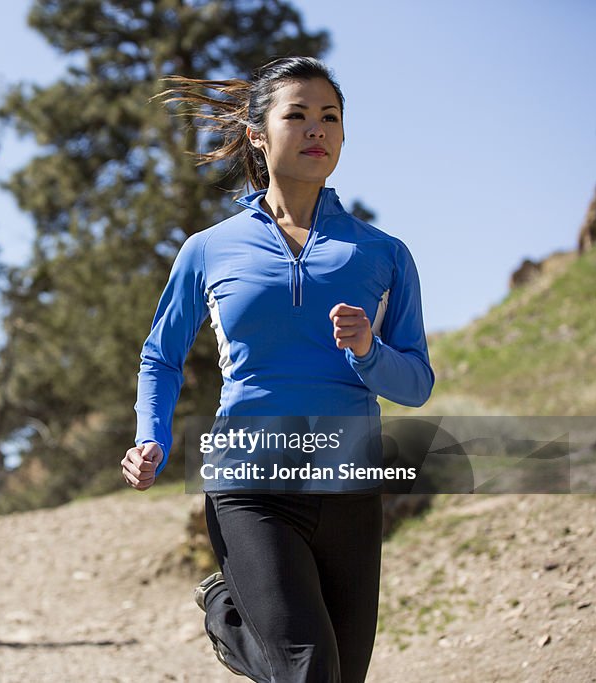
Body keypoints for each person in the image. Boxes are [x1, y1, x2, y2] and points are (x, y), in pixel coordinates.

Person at [122, 57, 434, 682]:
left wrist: (370, 350)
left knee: (340, 673)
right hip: (250, 481)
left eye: (330, 117)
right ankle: (232, 617)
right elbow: (161, 353)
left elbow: (417, 384)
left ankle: (230, 620)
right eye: (297, 115)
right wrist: (151, 437)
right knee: (309, 667)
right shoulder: (209, 249)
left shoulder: (382, 254)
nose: (316, 129)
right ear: (259, 135)